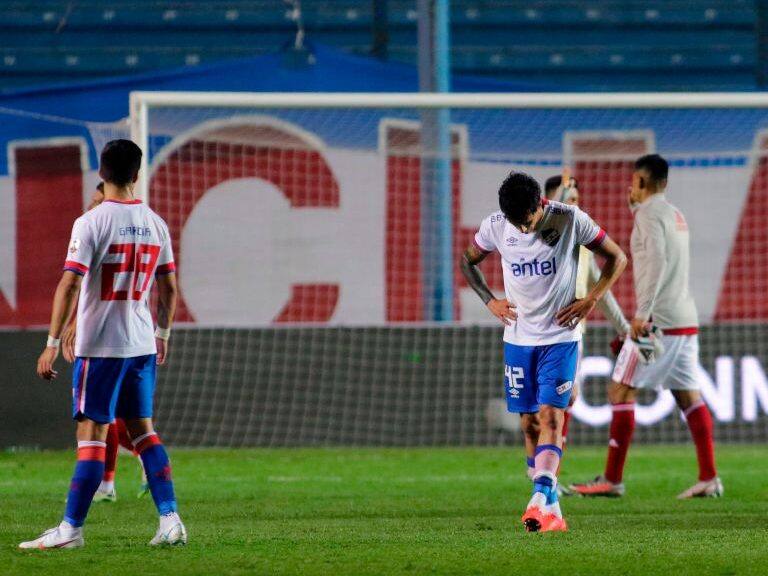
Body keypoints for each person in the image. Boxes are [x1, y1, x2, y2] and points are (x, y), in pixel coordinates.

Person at [20, 139, 186, 549]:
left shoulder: (90, 222)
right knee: (144, 432)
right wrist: (162, 334)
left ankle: (71, 529)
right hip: (141, 344)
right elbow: (168, 288)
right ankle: (170, 520)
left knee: (92, 432)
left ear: (101, 172)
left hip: (100, 348)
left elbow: (70, 282)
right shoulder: (156, 223)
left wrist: (52, 341)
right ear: (136, 174)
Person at [460, 171, 626, 532]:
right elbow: (467, 261)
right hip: (518, 340)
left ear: (540, 205)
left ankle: (540, 495)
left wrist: (591, 300)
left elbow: (617, 257)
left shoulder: (569, 219)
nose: (522, 230)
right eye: (515, 224)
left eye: (527, 221)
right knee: (529, 422)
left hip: (560, 338)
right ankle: (554, 512)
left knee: (553, 418)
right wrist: (490, 301)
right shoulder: (497, 225)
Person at [569, 154, 722, 499]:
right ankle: (709, 476)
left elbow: (657, 262)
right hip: (686, 320)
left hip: (659, 324)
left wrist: (642, 313)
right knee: (688, 397)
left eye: (633, 181)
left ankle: (612, 479)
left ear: (640, 183)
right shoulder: (676, 215)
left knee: (620, 390)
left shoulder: (648, 216)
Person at [61, 181, 149, 504]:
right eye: (92, 201)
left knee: (100, 417)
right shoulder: (97, 231)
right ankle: (115, 479)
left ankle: (103, 487)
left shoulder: (100, 231)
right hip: (125, 340)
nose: (93, 207)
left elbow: (82, 289)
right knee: (115, 418)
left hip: (109, 341)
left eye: (99, 201)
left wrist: (60, 335)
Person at [541, 172, 629, 490]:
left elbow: (598, 288)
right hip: (537, 334)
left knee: (561, 403)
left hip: (569, 334)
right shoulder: (539, 236)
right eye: (568, 198)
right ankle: (544, 477)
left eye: (578, 198)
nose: (576, 204)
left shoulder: (581, 242)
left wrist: (624, 329)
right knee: (549, 408)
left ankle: (548, 477)